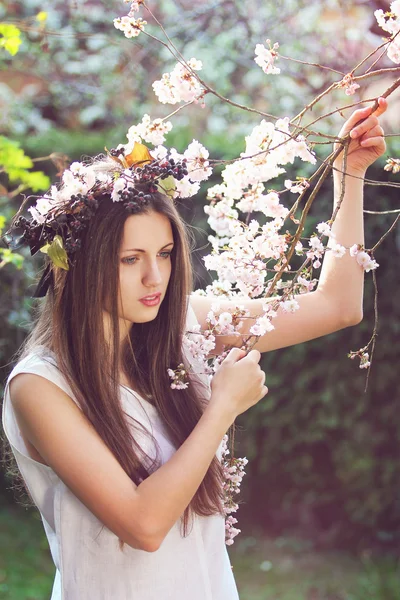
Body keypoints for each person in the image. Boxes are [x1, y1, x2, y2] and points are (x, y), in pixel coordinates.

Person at [1, 98, 387, 600]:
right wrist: (223, 405)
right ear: (77, 265)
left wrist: (348, 173)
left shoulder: (180, 324)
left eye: (164, 254)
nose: (154, 278)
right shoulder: (41, 387)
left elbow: (337, 306)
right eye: (129, 259)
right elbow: (143, 525)